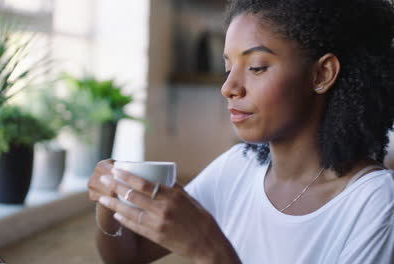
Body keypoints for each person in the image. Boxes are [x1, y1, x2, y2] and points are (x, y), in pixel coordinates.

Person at [88, 0, 394, 263]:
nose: (228, 88)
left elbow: (205, 248)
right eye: (228, 67)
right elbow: (127, 255)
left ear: (321, 74)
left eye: (257, 67)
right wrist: (111, 199)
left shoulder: (375, 201)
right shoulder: (238, 167)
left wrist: (209, 248)